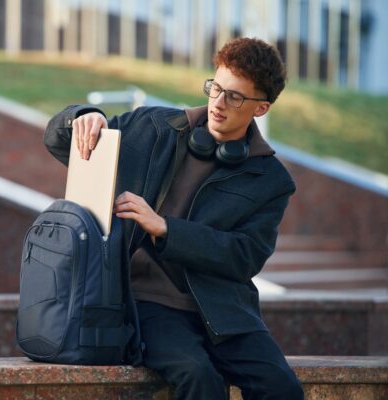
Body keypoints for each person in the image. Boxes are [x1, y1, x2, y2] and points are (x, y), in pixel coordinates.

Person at [43, 37, 303, 400]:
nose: (218, 103)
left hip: (225, 310)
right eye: (216, 88)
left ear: (260, 108)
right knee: (199, 378)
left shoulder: (272, 180)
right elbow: (59, 140)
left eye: (235, 97)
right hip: (147, 303)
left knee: (283, 387)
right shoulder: (152, 127)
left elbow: (244, 256)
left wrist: (166, 229)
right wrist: (82, 116)